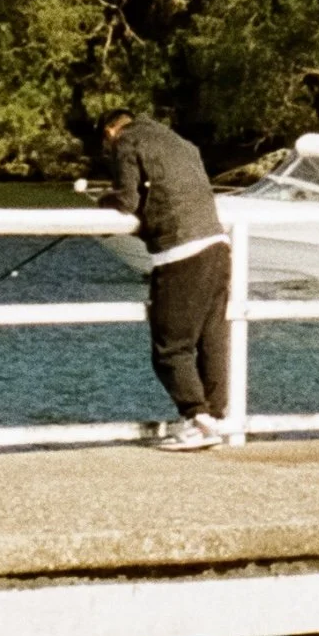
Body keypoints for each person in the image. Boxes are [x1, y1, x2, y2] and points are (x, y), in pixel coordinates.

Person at [97, 109, 230, 449]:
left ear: (111, 131)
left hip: (181, 254)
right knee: (210, 339)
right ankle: (214, 419)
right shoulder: (179, 142)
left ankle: (195, 419)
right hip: (216, 246)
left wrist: (104, 200)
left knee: (171, 348)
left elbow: (127, 201)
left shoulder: (127, 142)